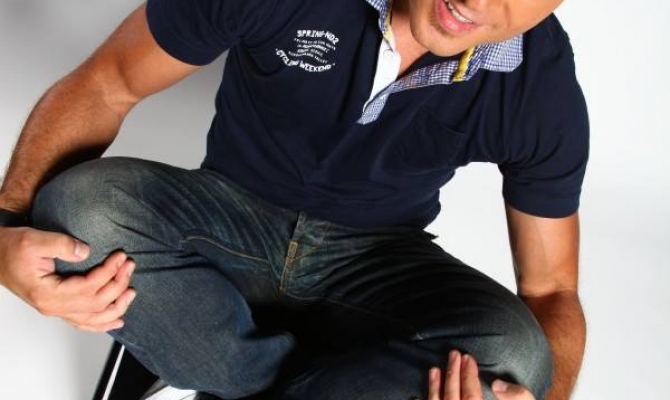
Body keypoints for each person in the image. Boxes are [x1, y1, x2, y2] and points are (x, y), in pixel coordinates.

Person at [0, 0, 588, 399]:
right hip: (227, 217)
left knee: (518, 360)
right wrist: (3, 229)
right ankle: (330, 380)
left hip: (375, 262)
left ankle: (244, 381)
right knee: (80, 207)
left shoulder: (541, 83)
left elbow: (551, 290)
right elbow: (108, 84)